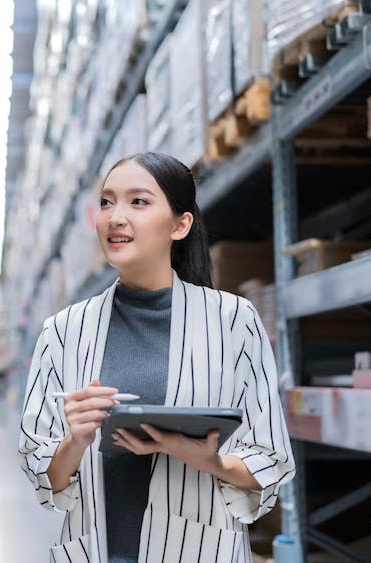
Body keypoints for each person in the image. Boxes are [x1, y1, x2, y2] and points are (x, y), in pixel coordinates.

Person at [18, 153, 295, 563]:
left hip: (199, 550)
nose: (115, 217)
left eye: (139, 202)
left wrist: (207, 459)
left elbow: (270, 460)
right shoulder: (62, 331)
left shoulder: (233, 320)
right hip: (98, 551)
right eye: (107, 202)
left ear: (180, 224)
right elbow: (47, 477)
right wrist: (75, 440)